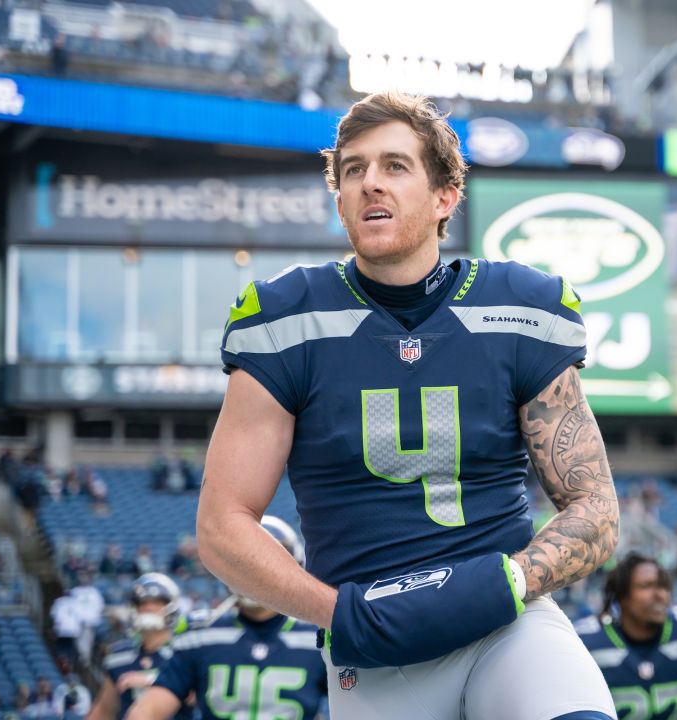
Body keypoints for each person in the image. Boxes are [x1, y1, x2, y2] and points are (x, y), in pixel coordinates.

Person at [199, 91, 619, 720]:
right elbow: (221, 523)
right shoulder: (286, 319)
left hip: (505, 626)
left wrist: (508, 581)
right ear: (339, 200)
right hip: (373, 651)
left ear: (445, 196)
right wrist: (337, 614)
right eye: (353, 170)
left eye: (395, 166)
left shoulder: (520, 309)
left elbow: (596, 508)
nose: (371, 183)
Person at [128, 517, 326, 720]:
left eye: (267, 562)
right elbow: (149, 710)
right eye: (246, 562)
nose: (257, 572)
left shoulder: (318, 636)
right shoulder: (202, 634)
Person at [574, 554, 677, 720]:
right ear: (622, 595)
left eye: (664, 587)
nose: (660, 594)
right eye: (647, 586)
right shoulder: (586, 644)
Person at [86, 573, 193, 720]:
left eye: (157, 602)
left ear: (171, 607)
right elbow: (104, 711)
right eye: (142, 603)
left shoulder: (186, 649)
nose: (149, 608)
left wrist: (150, 681)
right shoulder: (119, 656)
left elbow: (195, 695)